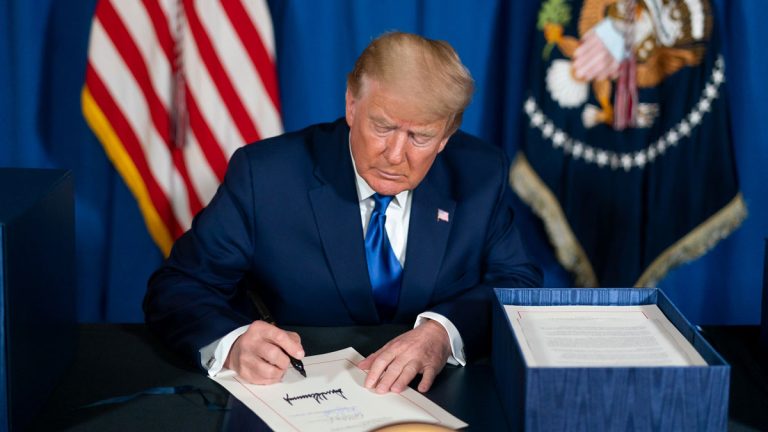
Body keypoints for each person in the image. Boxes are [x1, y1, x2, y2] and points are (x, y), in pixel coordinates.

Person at [144, 31, 542, 394]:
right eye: (383, 127)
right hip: (295, 395)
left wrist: (444, 332)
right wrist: (231, 344)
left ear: (446, 136)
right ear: (352, 104)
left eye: (420, 136)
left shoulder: (479, 174)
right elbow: (178, 288)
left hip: (440, 398)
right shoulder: (266, 175)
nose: (396, 154)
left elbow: (519, 283)